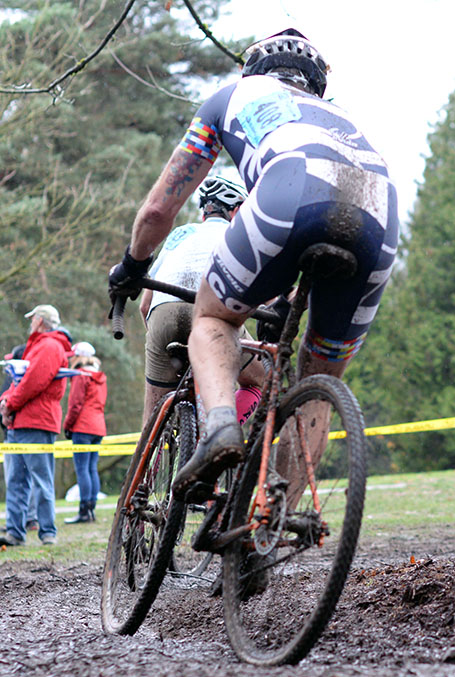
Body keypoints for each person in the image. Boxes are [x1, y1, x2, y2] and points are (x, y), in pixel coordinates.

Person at [109, 28, 398, 503]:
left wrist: (131, 263)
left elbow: (160, 210)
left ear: (254, 70)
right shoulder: (340, 118)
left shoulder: (231, 96)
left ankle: (220, 430)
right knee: (318, 381)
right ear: (314, 84)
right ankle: (272, 517)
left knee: (214, 319)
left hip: (293, 189)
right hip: (379, 217)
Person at [137, 175, 267, 426]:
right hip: (211, 316)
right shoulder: (238, 234)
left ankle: (145, 461)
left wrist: (161, 340)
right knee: (261, 380)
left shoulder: (180, 235)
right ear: (237, 209)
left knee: (152, 417)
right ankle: (209, 439)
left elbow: (144, 306)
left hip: (161, 316)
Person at [0, 304, 72, 546]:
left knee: (41, 480)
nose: (30, 323)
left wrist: (10, 404)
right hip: (22, 422)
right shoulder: (39, 346)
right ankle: (15, 532)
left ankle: (47, 532)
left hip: (36, 422)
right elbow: (19, 381)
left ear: (40, 321)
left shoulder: (49, 346)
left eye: (32, 319)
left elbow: (32, 382)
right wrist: (6, 402)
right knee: (16, 481)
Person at [63, 342, 107, 524]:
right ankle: (91, 509)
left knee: (82, 469)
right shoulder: (100, 377)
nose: (71, 359)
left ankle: (83, 511)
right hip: (98, 427)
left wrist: (67, 425)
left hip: (82, 427)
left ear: (79, 356)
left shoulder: (81, 376)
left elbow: (75, 405)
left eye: (73, 355)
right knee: (91, 468)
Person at [1, 344, 40, 532]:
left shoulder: (18, 376)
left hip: (18, 432)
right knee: (20, 480)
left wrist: (6, 411)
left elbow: (11, 399)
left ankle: (29, 519)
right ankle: (19, 523)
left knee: (22, 479)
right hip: (14, 432)